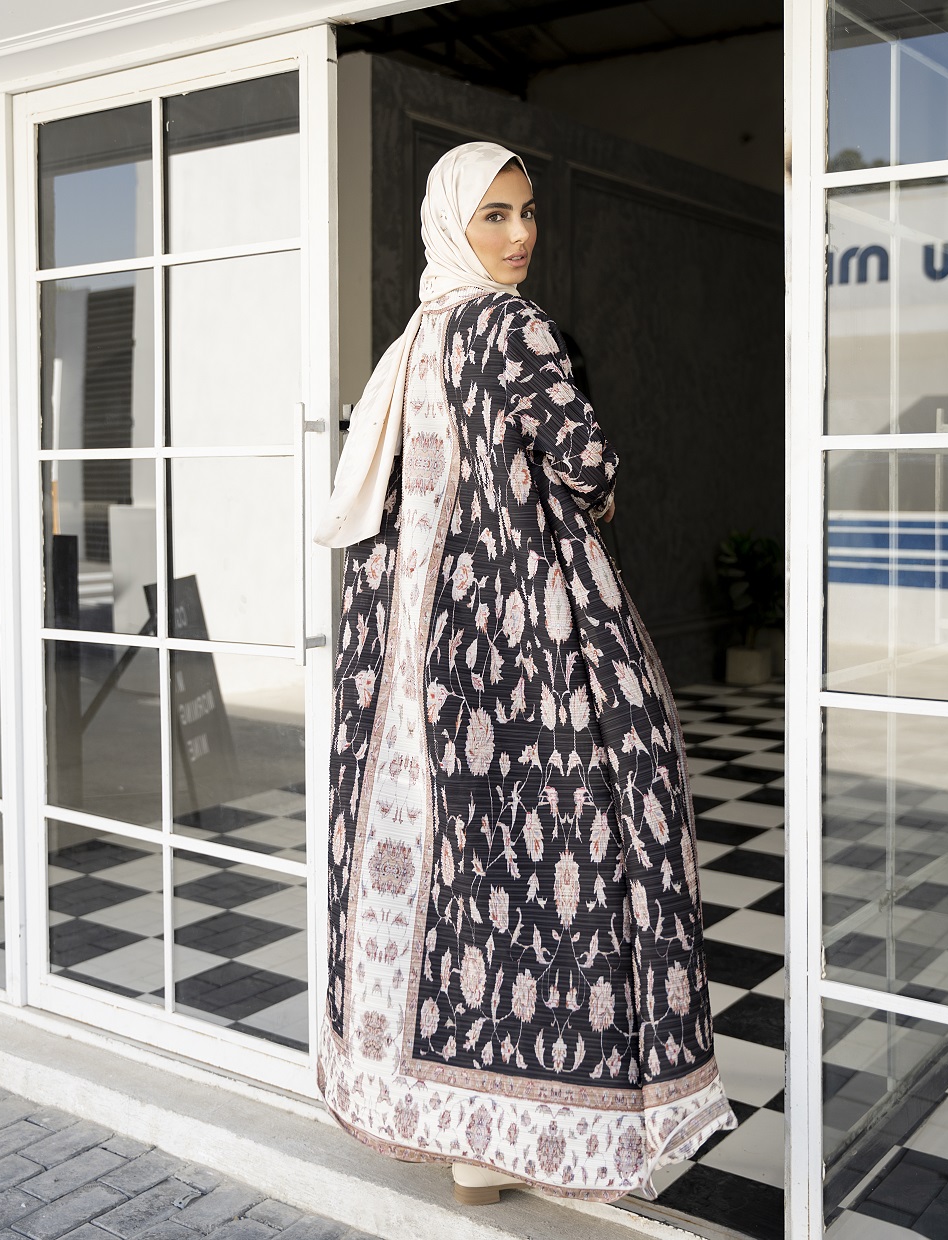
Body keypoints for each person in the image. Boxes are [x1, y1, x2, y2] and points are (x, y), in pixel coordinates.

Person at [314, 141, 737, 1205]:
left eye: (527, 212)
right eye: (494, 215)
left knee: (466, 870)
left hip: (424, 655)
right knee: (578, 847)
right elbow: (585, 461)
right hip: (524, 639)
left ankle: (469, 1141)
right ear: (453, 225)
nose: (518, 235)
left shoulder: (415, 338)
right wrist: (592, 493)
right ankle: (548, 1130)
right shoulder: (510, 326)